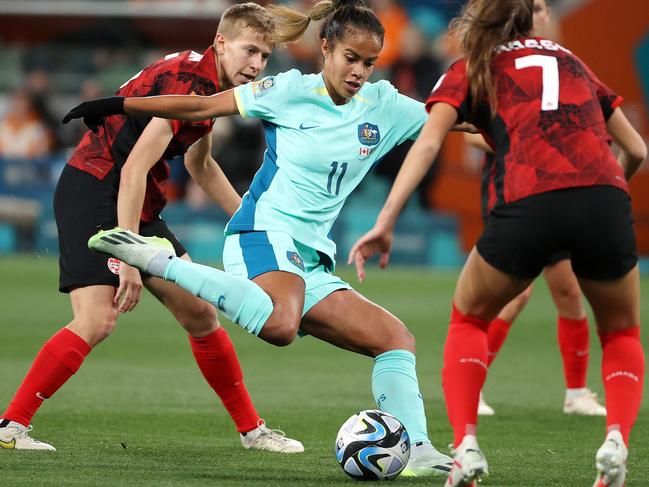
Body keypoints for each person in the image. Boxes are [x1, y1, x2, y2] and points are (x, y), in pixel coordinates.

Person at [62, 0, 458, 477]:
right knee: (281, 326)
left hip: (311, 259)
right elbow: (203, 105)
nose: (359, 71)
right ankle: (159, 260)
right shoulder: (288, 90)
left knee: (396, 340)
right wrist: (121, 103)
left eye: (369, 62)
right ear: (326, 48)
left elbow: (455, 120)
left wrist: (511, 121)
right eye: (350, 58)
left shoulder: (386, 106)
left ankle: (417, 448)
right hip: (263, 233)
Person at [348, 0, 646, 485]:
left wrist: (386, 218)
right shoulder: (571, 61)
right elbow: (636, 149)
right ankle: (616, 441)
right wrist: (605, 201)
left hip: (527, 203)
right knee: (621, 333)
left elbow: (428, 142)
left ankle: (465, 447)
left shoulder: (474, 66)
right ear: (534, 18)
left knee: (469, 317)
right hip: (604, 198)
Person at [0, 3, 303, 454]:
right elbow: (132, 170)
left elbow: (201, 166)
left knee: (201, 314)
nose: (257, 64)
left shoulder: (211, 88)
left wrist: (254, 226)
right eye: (249, 51)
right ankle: (10, 425)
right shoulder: (191, 83)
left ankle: (252, 431)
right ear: (221, 43)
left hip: (134, 198)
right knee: (97, 319)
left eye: (264, 56)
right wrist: (128, 259)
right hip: (97, 188)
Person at [466, 0, 606, 418]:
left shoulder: (564, 65)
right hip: (510, 190)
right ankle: (473, 385)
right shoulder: (494, 64)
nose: (543, 14)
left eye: (545, 6)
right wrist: (522, 140)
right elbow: (470, 134)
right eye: (537, 7)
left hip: (554, 191)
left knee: (567, 290)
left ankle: (577, 392)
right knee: (517, 292)